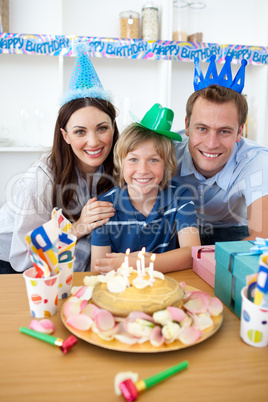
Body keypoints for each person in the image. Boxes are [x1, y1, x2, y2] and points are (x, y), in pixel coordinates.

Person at [0, 43, 119, 273]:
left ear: (113, 127)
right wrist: (79, 226)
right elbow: (22, 256)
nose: (93, 142)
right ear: (65, 135)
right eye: (80, 132)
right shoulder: (41, 179)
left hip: (61, 264)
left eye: (102, 128)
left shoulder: (117, 167)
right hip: (12, 266)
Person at [91, 103, 201, 273]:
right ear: (121, 163)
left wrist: (135, 263)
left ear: (167, 165)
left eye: (154, 160)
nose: (143, 170)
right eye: (133, 160)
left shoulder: (181, 196)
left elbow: (192, 255)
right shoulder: (104, 206)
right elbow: (98, 270)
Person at [174, 55, 268, 245]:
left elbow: (261, 238)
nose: (211, 143)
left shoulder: (257, 161)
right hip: (177, 227)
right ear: (187, 125)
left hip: (233, 232)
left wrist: (202, 259)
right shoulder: (165, 151)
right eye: (202, 129)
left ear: (240, 131)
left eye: (224, 131)